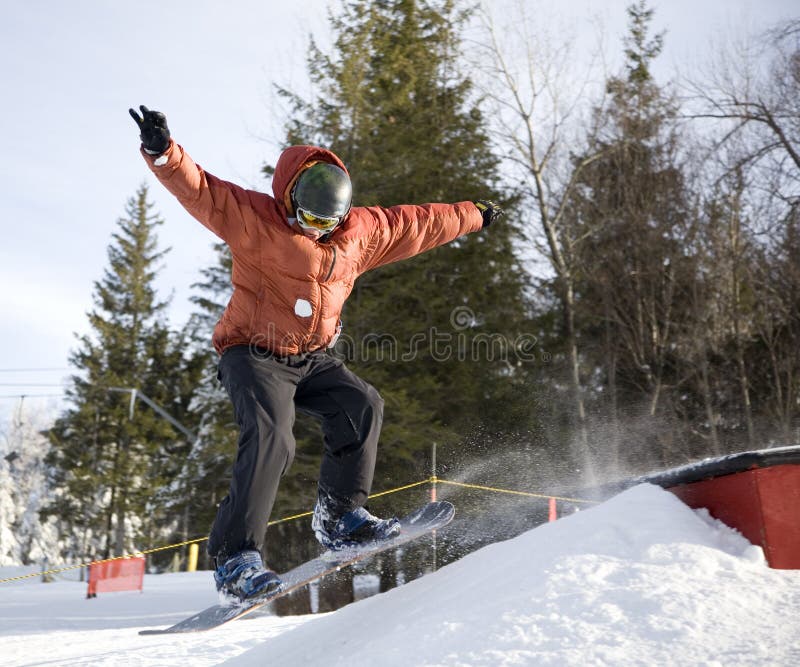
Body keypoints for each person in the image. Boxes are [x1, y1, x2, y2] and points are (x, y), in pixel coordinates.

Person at [129, 105, 503, 601]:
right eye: (307, 219)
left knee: (361, 405)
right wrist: (162, 152)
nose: (316, 231)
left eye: (327, 223)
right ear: (288, 200)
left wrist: (472, 214)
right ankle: (235, 558)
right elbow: (203, 192)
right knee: (271, 438)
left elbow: (416, 224)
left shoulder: (359, 235)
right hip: (252, 354)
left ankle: (341, 516)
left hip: (311, 358)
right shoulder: (255, 221)